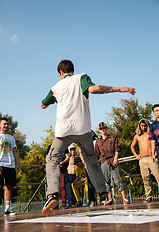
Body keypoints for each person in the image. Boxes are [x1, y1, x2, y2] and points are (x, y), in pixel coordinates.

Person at [41, 59, 135, 215]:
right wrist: (120, 89)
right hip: (83, 128)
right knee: (90, 158)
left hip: (63, 130)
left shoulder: (55, 87)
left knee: (52, 159)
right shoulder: (81, 77)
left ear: (60, 73)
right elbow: (93, 89)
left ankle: (52, 195)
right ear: (72, 70)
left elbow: (43, 105)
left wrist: (56, 98)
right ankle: (103, 192)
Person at [95, 122, 130, 205]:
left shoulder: (113, 138)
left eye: (104, 128)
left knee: (118, 179)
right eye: (101, 129)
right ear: (99, 130)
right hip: (104, 161)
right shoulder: (98, 141)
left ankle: (124, 198)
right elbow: (96, 154)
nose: (103, 130)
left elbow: (117, 149)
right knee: (106, 181)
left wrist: (115, 159)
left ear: (106, 128)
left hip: (112, 159)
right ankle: (110, 199)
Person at [131, 118, 159, 203]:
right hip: (142, 159)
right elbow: (132, 146)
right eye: (142, 126)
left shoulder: (150, 135)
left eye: (145, 125)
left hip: (151, 157)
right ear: (139, 126)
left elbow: (155, 143)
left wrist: (155, 154)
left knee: (158, 176)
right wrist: (136, 155)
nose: (143, 127)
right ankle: (148, 196)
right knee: (145, 179)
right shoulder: (137, 136)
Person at [0, 117, 20, 215]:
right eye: (4, 124)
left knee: (9, 186)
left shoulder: (11, 138)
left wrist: (17, 164)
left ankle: (7, 209)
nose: (6, 126)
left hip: (10, 165)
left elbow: (14, 152)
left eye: (7, 124)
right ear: (0, 125)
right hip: (1, 164)